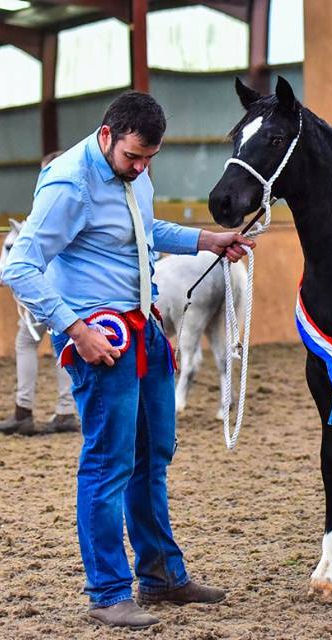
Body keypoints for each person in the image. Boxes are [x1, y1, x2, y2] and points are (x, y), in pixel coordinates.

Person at [2, 91, 254, 630]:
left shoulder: (134, 172)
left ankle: (162, 576)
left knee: (154, 453)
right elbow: (20, 266)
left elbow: (142, 234)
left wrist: (206, 239)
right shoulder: (68, 183)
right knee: (108, 464)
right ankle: (109, 591)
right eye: (133, 157)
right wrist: (76, 329)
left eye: (149, 160)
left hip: (145, 327)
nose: (140, 168)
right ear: (106, 134)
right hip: (102, 338)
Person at [0, 151, 80, 436]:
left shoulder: (50, 200)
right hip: (70, 289)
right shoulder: (79, 197)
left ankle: (24, 411)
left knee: (26, 342)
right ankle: (65, 411)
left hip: (46, 286)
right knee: (64, 345)